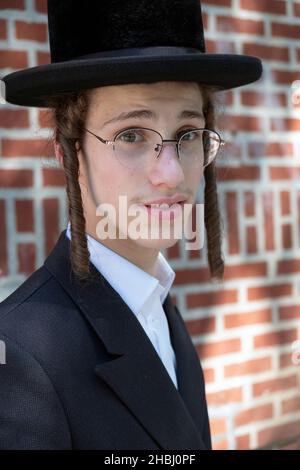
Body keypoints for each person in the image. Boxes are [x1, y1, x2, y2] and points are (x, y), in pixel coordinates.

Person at [0, 0, 262, 450]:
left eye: (187, 135)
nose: (173, 174)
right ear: (70, 154)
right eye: (132, 135)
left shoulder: (158, 308)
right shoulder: (21, 357)